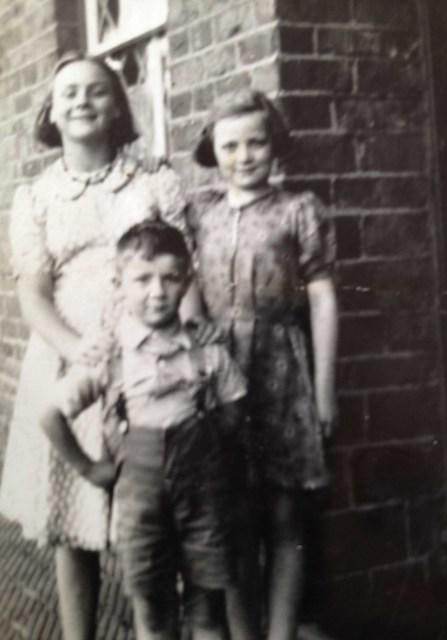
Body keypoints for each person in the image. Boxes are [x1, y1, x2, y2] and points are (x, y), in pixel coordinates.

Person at [0, 51, 190, 639]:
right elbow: (33, 294)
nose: (82, 100)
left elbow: (187, 273)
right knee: (72, 515)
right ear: (51, 114)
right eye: (69, 93)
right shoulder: (35, 198)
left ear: (118, 107)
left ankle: (148, 630)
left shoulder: (154, 179)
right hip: (68, 351)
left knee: (148, 514)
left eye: (97, 91)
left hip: (148, 347)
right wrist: (80, 349)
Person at [39, 222, 249, 640]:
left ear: (187, 281)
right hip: (140, 503)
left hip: (202, 498)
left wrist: (209, 455)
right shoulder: (110, 354)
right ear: (119, 285)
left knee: (207, 610)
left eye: (171, 278)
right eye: (142, 279)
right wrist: (91, 469)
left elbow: (234, 408)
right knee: (153, 613)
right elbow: (50, 416)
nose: (157, 292)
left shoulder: (207, 348)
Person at [190, 89, 338, 640]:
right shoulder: (198, 211)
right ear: (213, 149)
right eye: (230, 145)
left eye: (256, 142)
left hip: (280, 372)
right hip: (217, 371)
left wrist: (324, 391)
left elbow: (322, 299)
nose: (244, 155)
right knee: (229, 516)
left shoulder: (298, 210)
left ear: (274, 146)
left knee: (283, 515)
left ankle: (281, 632)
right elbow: (185, 286)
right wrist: (198, 338)